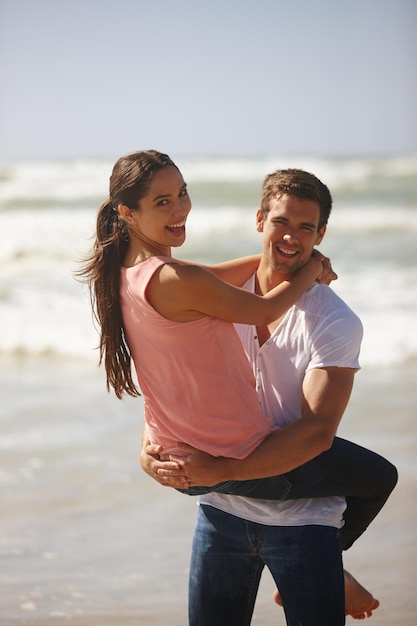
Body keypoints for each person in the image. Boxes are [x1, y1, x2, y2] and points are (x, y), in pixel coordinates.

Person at [140, 167, 398, 625]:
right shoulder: (211, 299)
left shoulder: (334, 321)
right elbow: (173, 378)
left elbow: (316, 434)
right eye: (281, 221)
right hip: (220, 514)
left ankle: (334, 565)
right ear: (260, 219)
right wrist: (150, 444)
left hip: (305, 522)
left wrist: (220, 469)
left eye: (306, 227)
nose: (291, 237)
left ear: (320, 235)